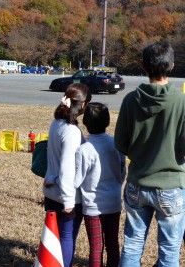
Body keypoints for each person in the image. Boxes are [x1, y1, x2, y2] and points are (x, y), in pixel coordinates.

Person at [114, 41, 185, 267]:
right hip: (171, 186)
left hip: (137, 183)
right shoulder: (182, 102)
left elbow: (120, 143)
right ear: (172, 66)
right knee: (169, 250)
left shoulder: (130, 100)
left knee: (133, 244)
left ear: (143, 67)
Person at [43, 83, 91, 267]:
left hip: (51, 190)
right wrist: (69, 200)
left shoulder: (56, 123)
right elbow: (67, 168)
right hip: (65, 195)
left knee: (54, 238)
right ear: (83, 105)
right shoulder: (71, 131)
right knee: (67, 237)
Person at [74, 103, 126, 267]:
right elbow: (122, 171)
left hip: (92, 206)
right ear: (108, 122)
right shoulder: (116, 144)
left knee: (96, 247)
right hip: (113, 202)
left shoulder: (84, 149)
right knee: (113, 244)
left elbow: (77, 180)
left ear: (85, 122)